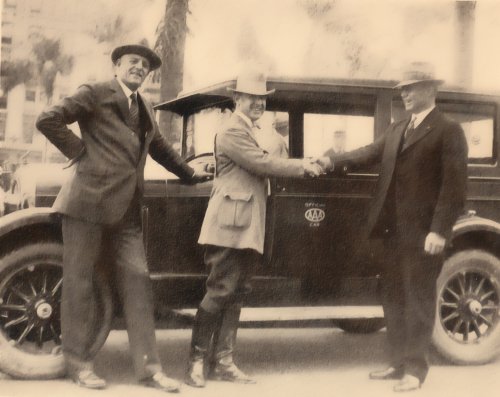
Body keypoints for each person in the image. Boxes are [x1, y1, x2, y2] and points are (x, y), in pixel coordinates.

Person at [36, 43, 211, 393]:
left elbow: (159, 148)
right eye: (133, 62)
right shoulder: (95, 92)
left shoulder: (144, 105)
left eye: (145, 65)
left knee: (138, 284)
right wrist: (81, 153)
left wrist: (191, 174)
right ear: (117, 66)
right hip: (86, 205)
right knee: (79, 285)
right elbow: (47, 119)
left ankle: (150, 370)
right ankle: (79, 365)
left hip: (127, 211)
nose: (140, 68)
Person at [318, 62, 468, 392]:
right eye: (402, 89)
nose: (405, 93)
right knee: (394, 299)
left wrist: (439, 231)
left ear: (431, 89)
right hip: (391, 234)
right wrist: (331, 161)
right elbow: (367, 153)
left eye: (411, 88)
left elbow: (454, 189)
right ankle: (398, 363)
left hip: (423, 235)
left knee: (418, 301)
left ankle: (415, 371)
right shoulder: (397, 128)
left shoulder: (448, 130)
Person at [185, 70, 323, 388]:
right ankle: (195, 362)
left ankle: (223, 362)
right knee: (220, 291)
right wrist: (302, 165)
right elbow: (262, 164)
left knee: (235, 293)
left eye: (262, 98)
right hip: (229, 225)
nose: (258, 103)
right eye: (251, 98)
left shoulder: (250, 129)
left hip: (246, 225)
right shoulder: (233, 130)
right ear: (237, 100)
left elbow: (265, 160)